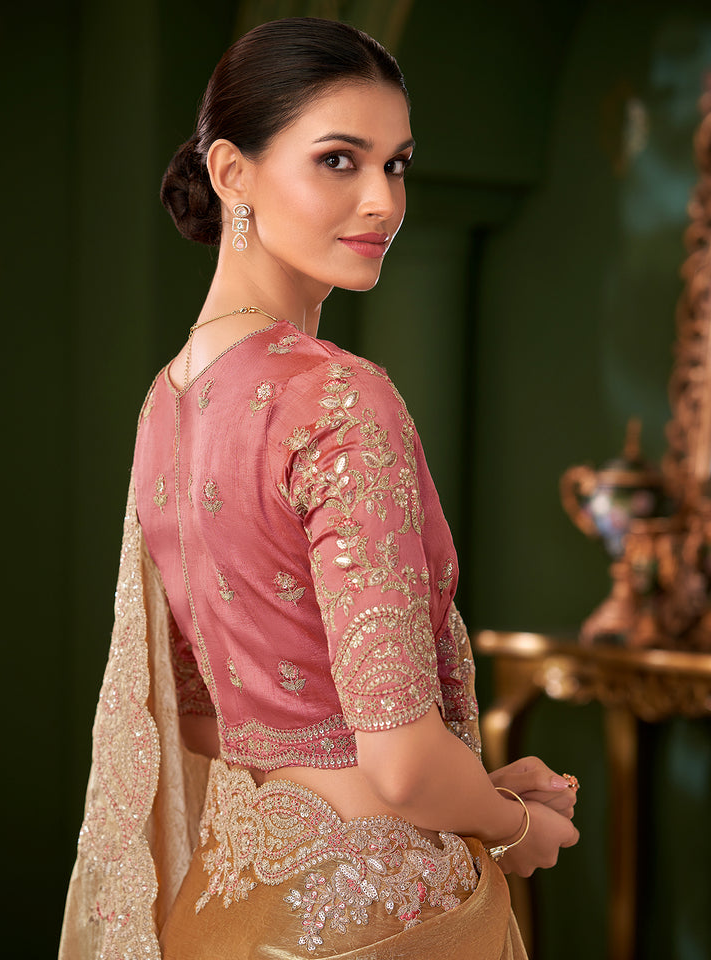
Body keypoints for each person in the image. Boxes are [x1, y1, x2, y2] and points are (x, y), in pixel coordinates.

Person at [59, 17, 579, 960]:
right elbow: (399, 761)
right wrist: (511, 828)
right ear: (232, 172)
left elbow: (207, 720)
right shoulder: (337, 397)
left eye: (397, 165)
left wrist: (479, 788)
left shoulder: (166, 403)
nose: (382, 201)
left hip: (228, 906)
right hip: (379, 911)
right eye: (339, 160)